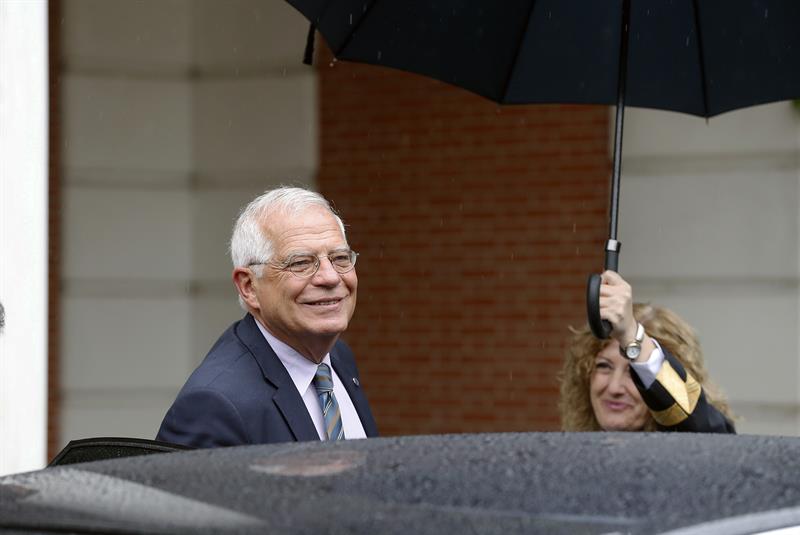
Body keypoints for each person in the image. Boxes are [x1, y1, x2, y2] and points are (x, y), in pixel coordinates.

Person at [157, 186, 378, 448]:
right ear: (249, 287)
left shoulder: (336, 357)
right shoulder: (213, 406)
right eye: (301, 263)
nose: (330, 277)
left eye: (340, 258)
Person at [559, 271, 734, 433]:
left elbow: (705, 428)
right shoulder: (574, 453)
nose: (614, 388)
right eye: (604, 366)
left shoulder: (695, 450)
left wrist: (630, 335)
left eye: (633, 372)